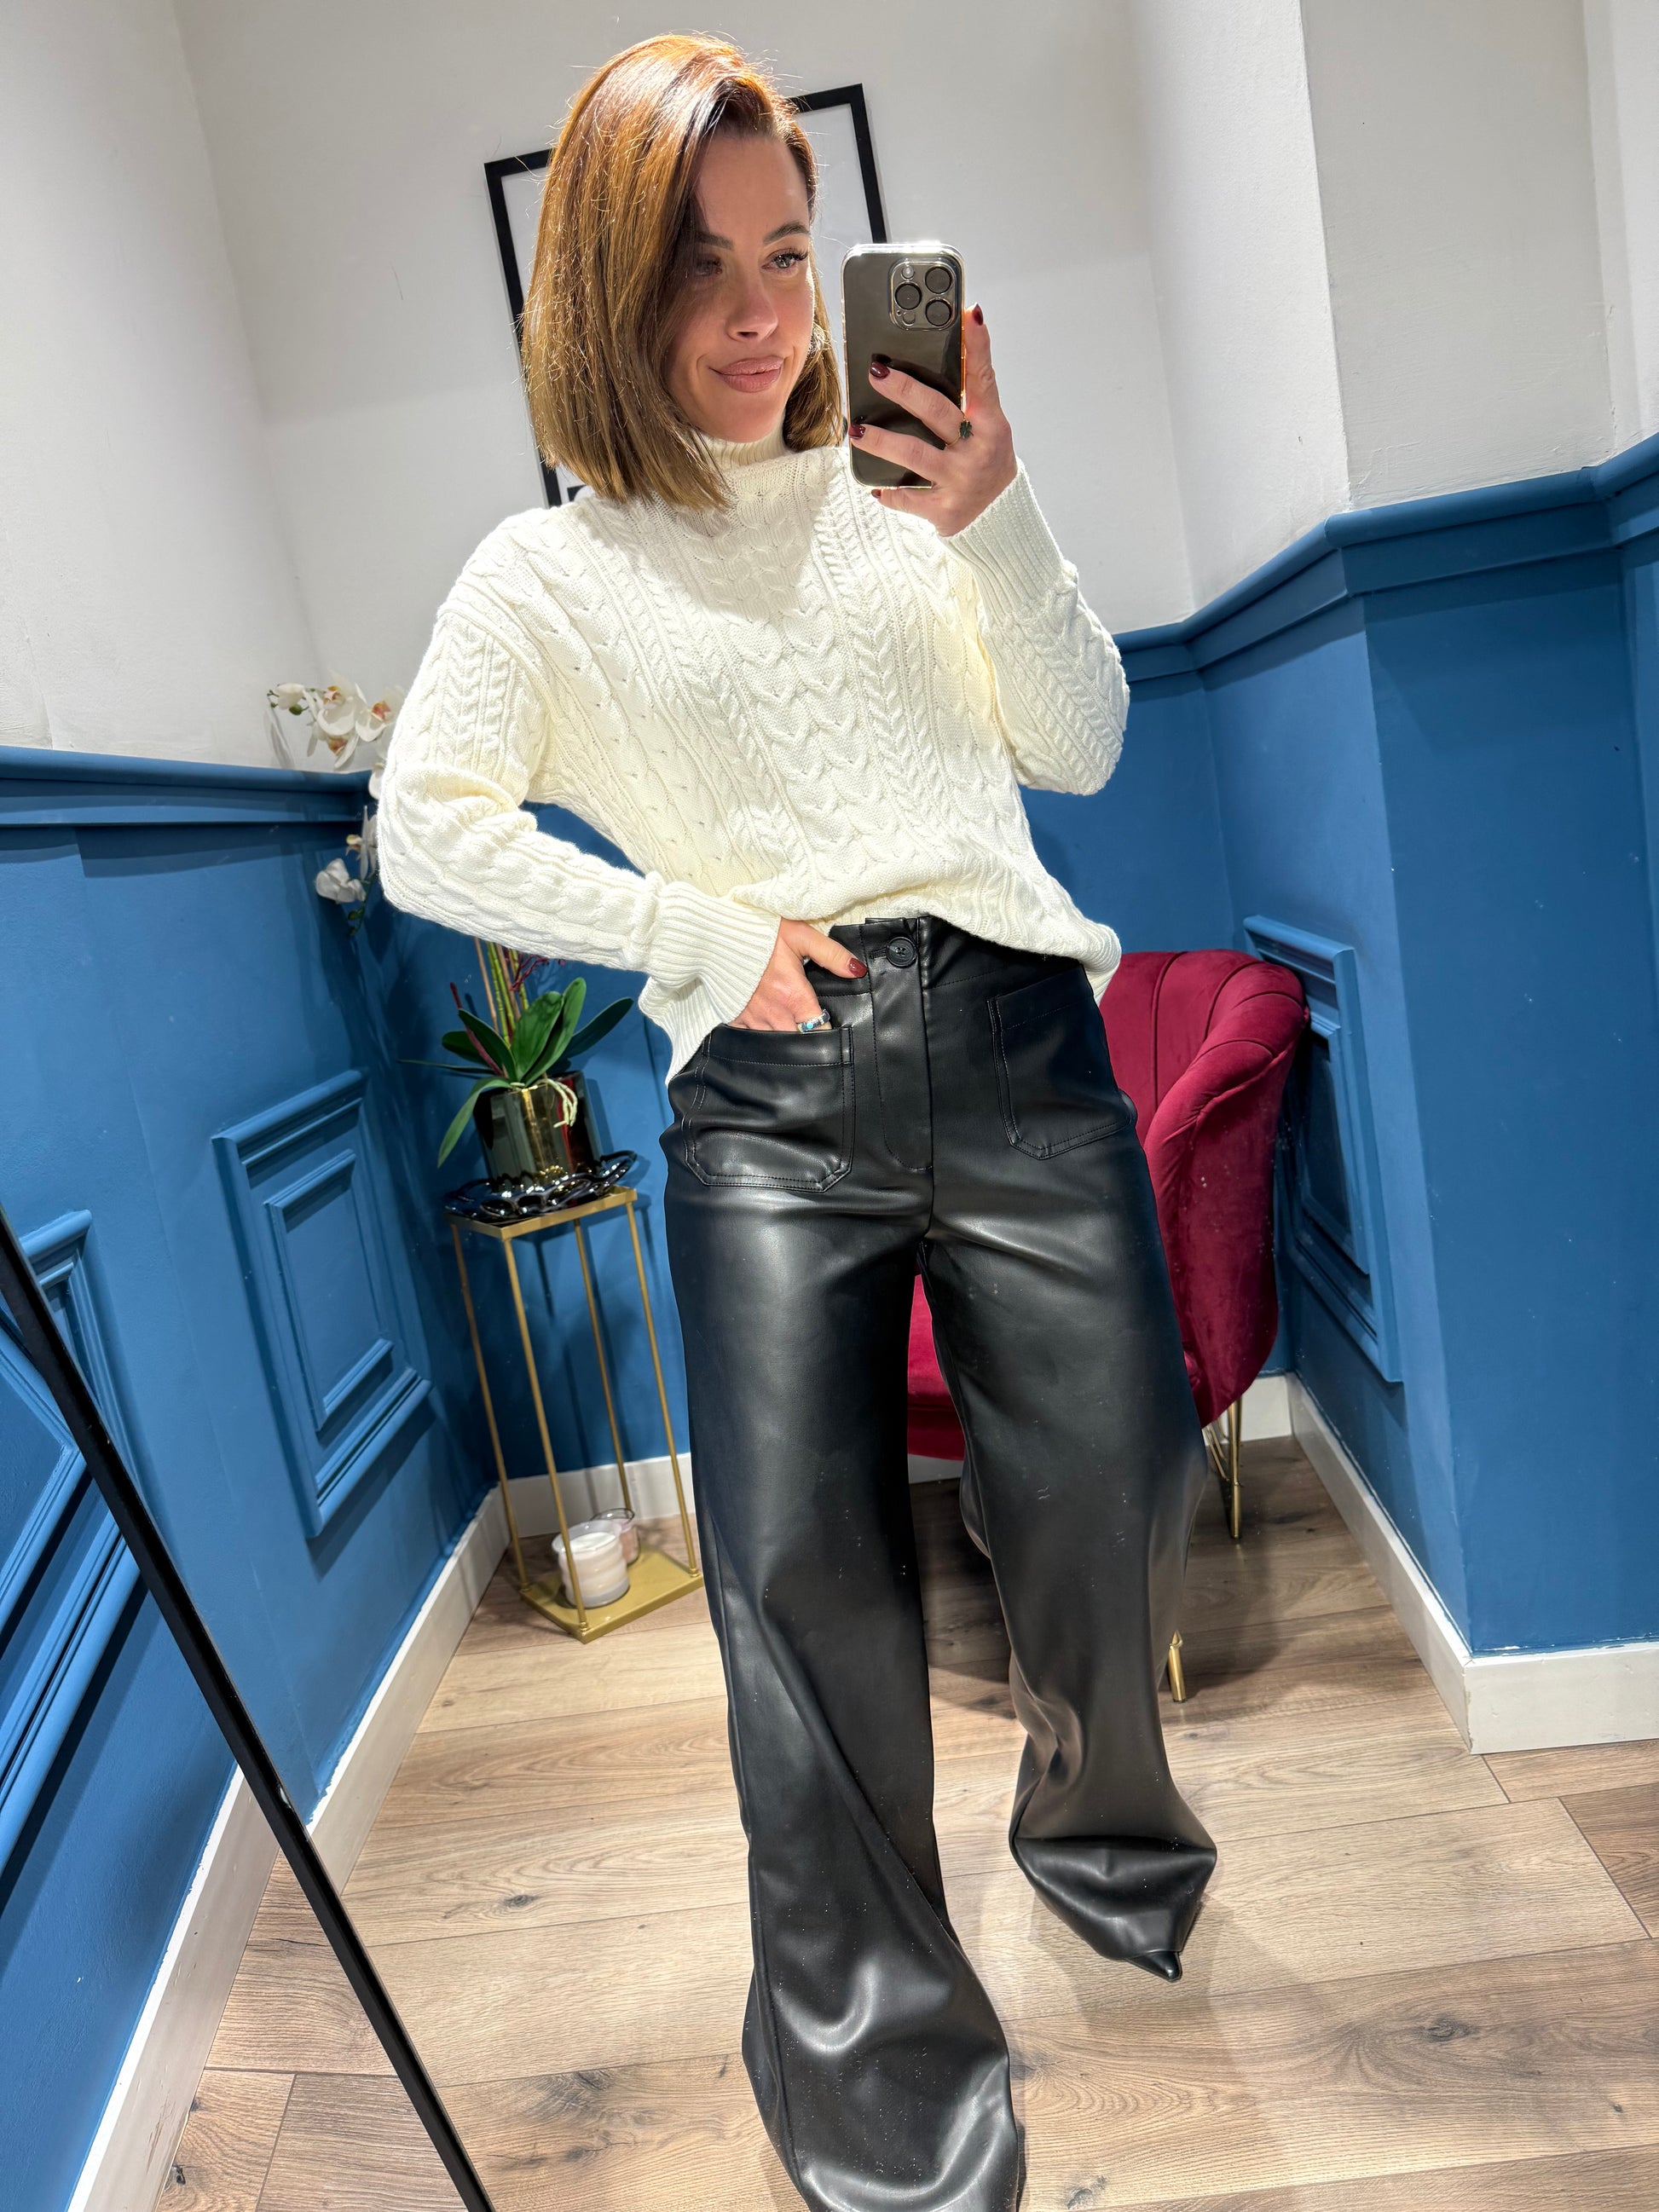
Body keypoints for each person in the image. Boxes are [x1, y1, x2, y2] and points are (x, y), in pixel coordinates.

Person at [375, 33, 1215, 2212]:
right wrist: (687, 927)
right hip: (768, 1102)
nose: (760, 316)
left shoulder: (910, 498)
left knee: (1119, 1483)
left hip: (1018, 1043)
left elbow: (1084, 742)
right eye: (700, 266)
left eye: (787, 253)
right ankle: (879, 2078)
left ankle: (1101, 1833)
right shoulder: (544, 578)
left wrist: (996, 514)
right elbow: (425, 825)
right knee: (803, 1586)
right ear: (601, 288)